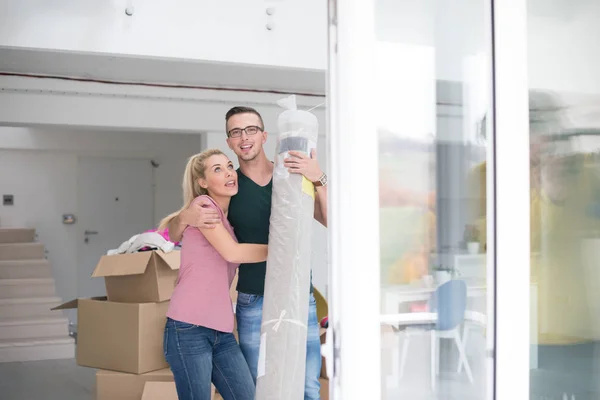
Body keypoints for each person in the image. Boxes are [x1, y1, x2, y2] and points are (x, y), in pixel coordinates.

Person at [168, 106, 328, 400]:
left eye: (251, 129)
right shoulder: (229, 187)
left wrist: (319, 179)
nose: (244, 137)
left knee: (307, 387)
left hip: (297, 294)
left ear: (265, 135)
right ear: (229, 141)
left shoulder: (291, 177)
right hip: (253, 299)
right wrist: (183, 217)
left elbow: (332, 221)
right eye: (235, 132)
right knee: (261, 388)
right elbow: (184, 232)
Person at [159, 149, 267, 400]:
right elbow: (232, 253)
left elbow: (175, 233)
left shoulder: (225, 221)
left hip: (222, 331)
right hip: (188, 329)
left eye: (229, 166)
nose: (230, 172)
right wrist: (280, 248)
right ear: (203, 183)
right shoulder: (204, 206)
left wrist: (182, 219)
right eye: (217, 169)